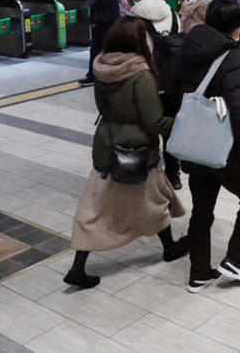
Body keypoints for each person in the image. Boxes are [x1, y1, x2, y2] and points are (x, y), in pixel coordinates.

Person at [64, 17, 188, 289]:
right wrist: (182, 124)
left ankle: (78, 266)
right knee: (155, 200)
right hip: (137, 150)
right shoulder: (140, 75)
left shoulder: (102, 67)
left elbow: (104, 109)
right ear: (137, 41)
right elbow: (154, 121)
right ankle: (169, 249)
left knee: (96, 207)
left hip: (107, 146)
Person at [176, 0, 240, 292]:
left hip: (194, 143)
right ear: (237, 26)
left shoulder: (189, 46)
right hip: (223, 146)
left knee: (202, 208)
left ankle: (199, 272)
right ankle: (237, 260)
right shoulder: (231, 54)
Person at [129, 0, 182, 188]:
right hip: (173, 82)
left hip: (147, 83)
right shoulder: (174, 15)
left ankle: (150, 173)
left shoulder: (134, 19)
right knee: (171, 130)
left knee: (147, 129)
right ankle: (173, 175)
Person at [79, 0, 120, 85]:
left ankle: (100, 76)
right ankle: (93, 75)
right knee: (96, 51)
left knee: (102, 51)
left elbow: (92, 3)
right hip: (101, 26)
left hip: (106, 26)